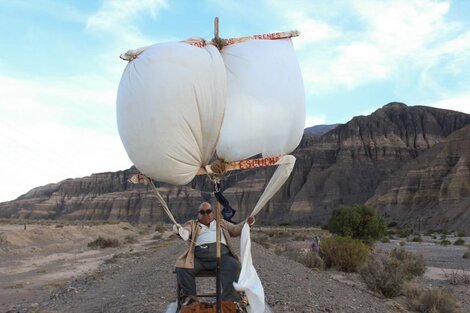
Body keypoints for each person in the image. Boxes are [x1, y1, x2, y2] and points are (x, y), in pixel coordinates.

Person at [173, 202, 255, 306]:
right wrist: (179, 230)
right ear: (198, 214)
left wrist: (246, 223)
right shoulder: (192, 224)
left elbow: (235, 230)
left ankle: (228, 302)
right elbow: (185, 232)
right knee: (182, 268)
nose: (205, 214)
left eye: (208, 211)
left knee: (235, 265)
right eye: (202, 212)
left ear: (213, 213)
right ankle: (191, 301)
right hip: (199, 259)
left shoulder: (221, 223)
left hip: (223, 257)